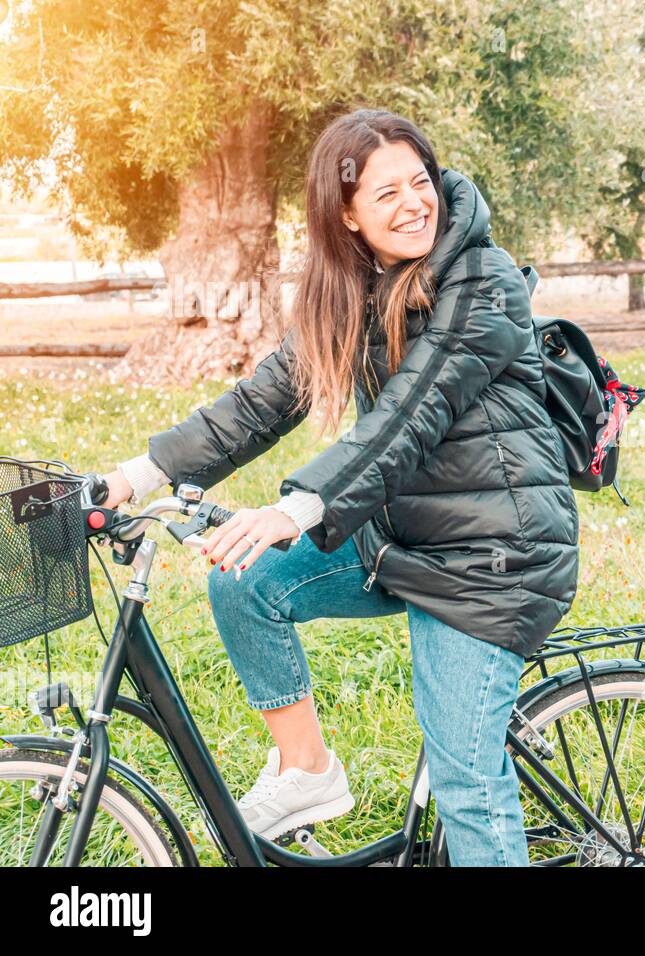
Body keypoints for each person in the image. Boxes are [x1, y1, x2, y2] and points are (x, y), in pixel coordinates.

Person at [101, 109, 579, 866]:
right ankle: (307, 771)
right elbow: (260, 404)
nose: (414, 203)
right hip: (405, 536)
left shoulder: (482, 281)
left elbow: (407, 416)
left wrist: (299, 507)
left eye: (420, 182)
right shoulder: (349, 290)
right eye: (386, 194)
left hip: (492, 558)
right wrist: (137, 475)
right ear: (347, 216)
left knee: (467, 784)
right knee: (246, 577)